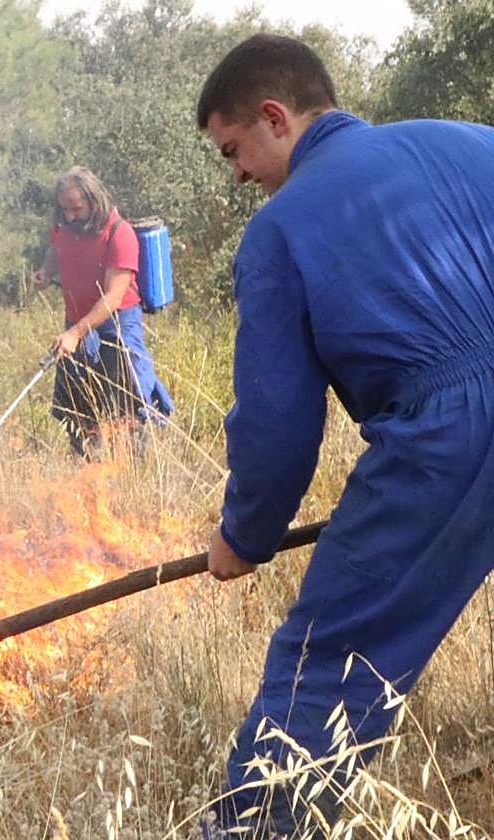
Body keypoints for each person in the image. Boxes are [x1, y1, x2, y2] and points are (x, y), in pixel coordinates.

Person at [196, 33, 494, 838]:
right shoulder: (472, 142)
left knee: (329, 663)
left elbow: (278, 425)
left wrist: (244, 535)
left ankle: (257, 826)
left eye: (233, 151)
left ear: (273, 116)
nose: (239, 176)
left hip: (449, 440)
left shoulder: (282, 230)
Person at [32, 166, 172, 458]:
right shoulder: (63, 226)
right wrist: (46, 272)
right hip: (76, 326)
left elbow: (112, 297)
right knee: (77, 411)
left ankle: (134, 477)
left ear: (93, 200)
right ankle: (86, 474)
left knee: (126, 409)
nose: (70, 216)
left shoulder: (120, 234)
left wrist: (75, 332)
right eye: (64, 209)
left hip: (117, 325)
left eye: (76, 208)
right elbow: (55, 249)